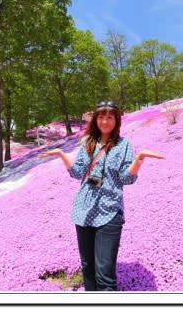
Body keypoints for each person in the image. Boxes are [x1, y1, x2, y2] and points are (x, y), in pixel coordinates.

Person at [37, 100, 165, 291]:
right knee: (88, 267)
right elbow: (78, 173)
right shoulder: (88, 143)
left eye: (110, 117)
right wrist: (62, 155)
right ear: (96, 120)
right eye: (101, 117)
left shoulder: (124, 145)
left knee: (105, 272)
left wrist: (139, 159)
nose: (105, 121)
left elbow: (125, 179)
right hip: (83, 210)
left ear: (116, 120)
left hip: (109, 210)